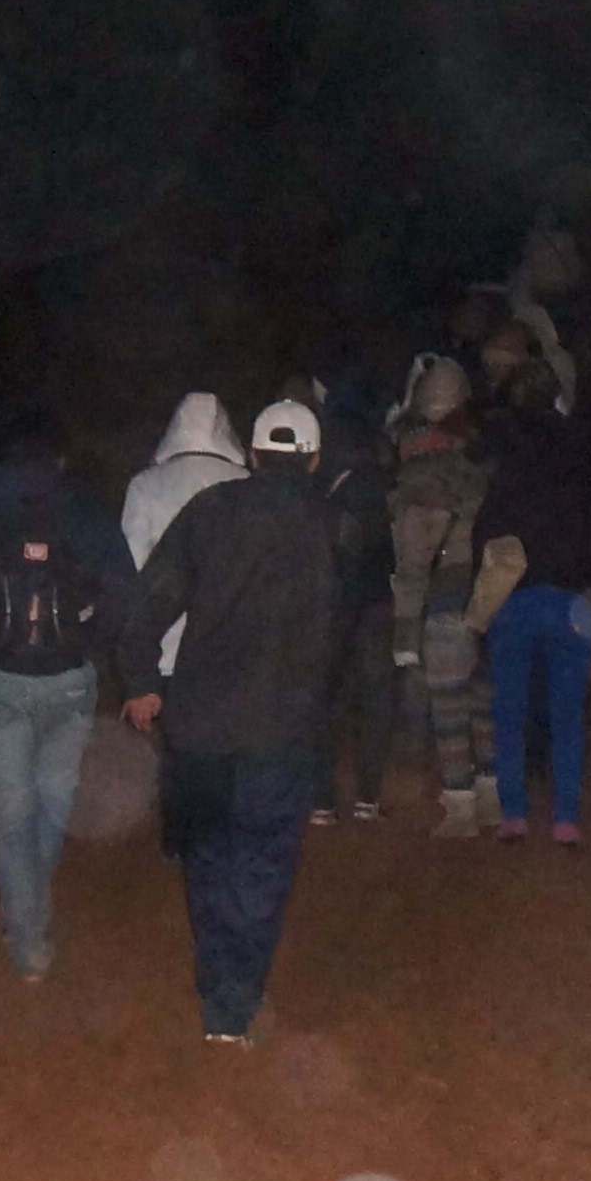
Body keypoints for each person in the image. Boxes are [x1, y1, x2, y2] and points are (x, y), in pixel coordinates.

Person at [117, 397, 345, 1044]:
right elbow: (351, 627)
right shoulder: (335, 524)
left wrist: (141, 683)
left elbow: (145, 606)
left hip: (202, 726)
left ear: (251, 455)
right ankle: (233, 999)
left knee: (210, 857)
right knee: (263, 863)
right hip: (284, 729)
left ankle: (220, 976)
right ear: (315, 460)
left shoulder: (210, 510)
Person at [0, 421, 129, 980]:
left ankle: (28, 930)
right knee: (54, 803)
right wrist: (87, 642)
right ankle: (28, 918)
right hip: (68, 681)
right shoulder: (84, 508)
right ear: (59, 458)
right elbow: (122, 591)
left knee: (12, 815)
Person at [476, 349, 591, 847]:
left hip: (515, 594)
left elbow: (487, 528)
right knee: (568, 714)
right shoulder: (583, 453)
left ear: (517, 395)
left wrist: (481, 594)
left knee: (510, 711)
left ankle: (514, 815)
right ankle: (566, 820)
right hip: (571, 599)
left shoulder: (507, 451)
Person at [382, 353, 495, 834]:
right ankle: (491, 795)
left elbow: (412, 566)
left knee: (449, 707)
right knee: (482, 702)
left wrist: (404, 639)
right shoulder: (478, 465)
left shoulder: (418, 477)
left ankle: (460, 807)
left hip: (443, 602)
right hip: (486, 599)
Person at [309, 374, 405, 826]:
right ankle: (367, 797)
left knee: (326, 701)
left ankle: (322, 801)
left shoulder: (318, 467)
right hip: (375, 603)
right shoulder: (381, 466)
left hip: (330, 605)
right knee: (376, 701)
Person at [116, 391, 243, 677]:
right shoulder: (245, 482)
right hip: (229, 647)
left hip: (162, 642)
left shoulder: (145, 484)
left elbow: (133, 563)